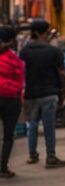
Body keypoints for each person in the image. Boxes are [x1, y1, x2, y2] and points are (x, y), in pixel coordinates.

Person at [19, 19, 65, 168]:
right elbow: (62, 73)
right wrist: (64, 91)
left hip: (31, 94)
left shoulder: (24, 52)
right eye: (47, 31)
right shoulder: (54, 51)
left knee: (32, 124)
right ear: (39, 33)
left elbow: (21, 73)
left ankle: (32, 154)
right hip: (49, 94)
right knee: (49, 126)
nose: (49, 34)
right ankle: (51, 156)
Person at [0, 26, 25, 178]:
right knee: (8, 136)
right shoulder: (14, 59)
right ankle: (2, 167)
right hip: (10, 100)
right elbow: (20, 80)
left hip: (10, 98)